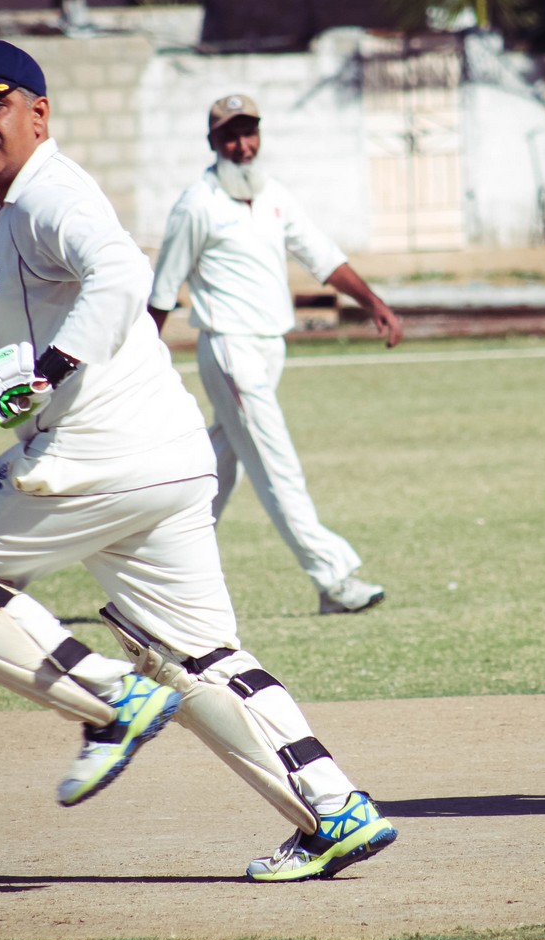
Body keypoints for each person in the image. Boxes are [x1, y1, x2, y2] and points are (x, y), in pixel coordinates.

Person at [0, 38, 397, 880]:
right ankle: (335, 809)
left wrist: (48, 371)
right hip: (167, 458)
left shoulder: (46, 196)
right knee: (196, 655)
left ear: (38, 113)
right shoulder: (25, 206)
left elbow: (123, 277)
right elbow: (30, 336)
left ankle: (109, 698)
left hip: (98, 453)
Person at [149, 93, 405, 615]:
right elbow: (163, 289)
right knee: (276, 465)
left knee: (215, 466)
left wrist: (372, 302)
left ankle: (160, 568)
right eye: (231, 136)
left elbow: (322, 256)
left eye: (250, 133)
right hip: (230, 348)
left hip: (269, 348)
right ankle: (333, 580)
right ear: (213, 142)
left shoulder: (273, 196)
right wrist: (141, 356)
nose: (243, 146)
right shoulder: (197, 205)